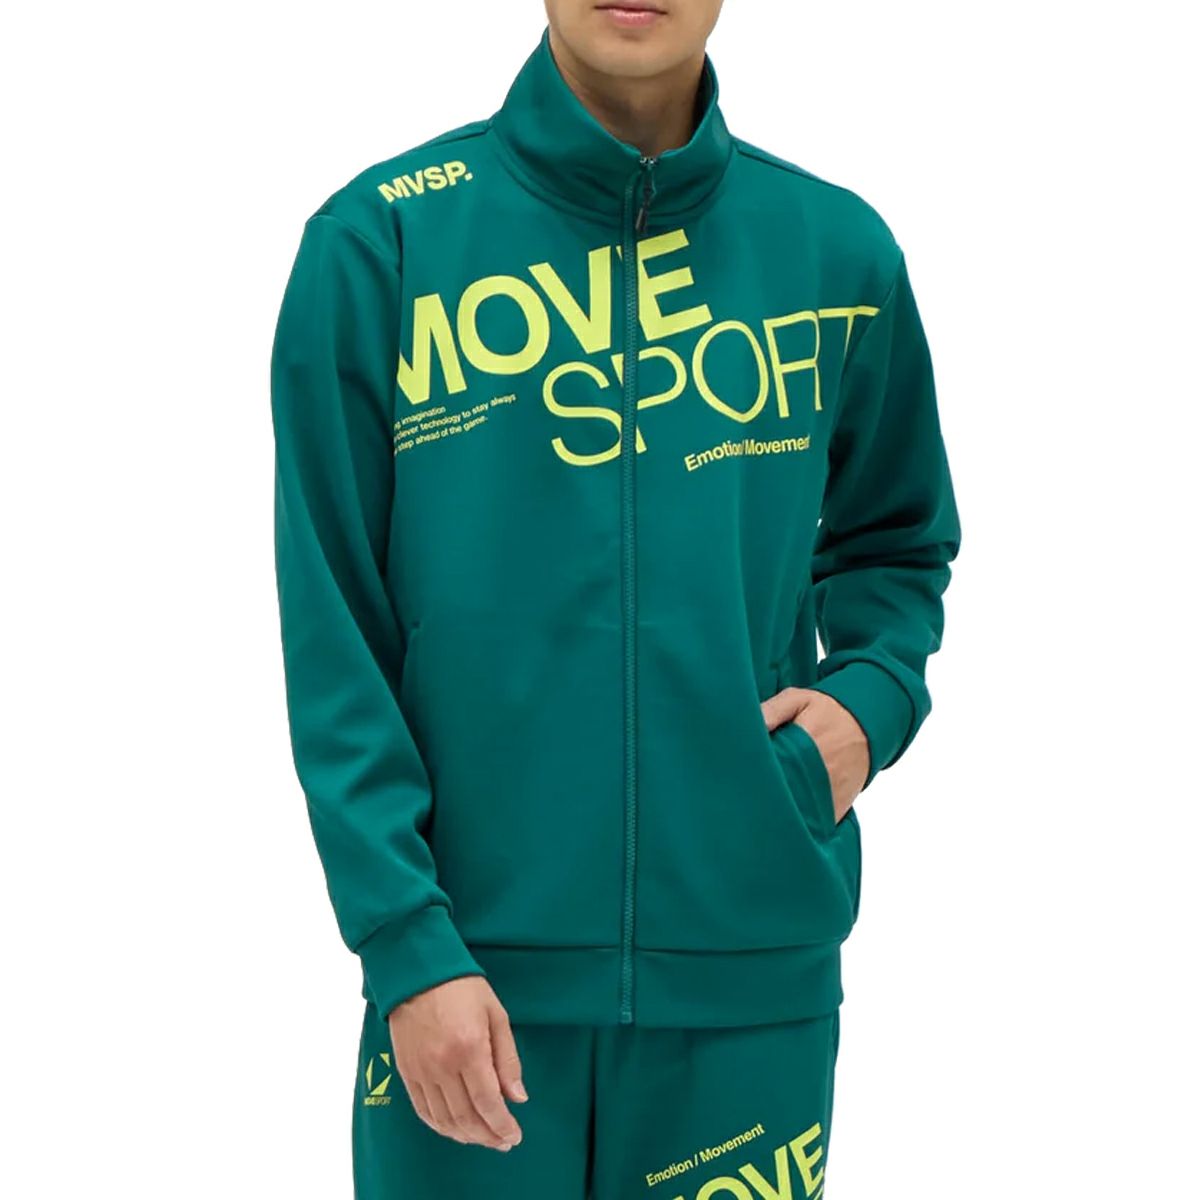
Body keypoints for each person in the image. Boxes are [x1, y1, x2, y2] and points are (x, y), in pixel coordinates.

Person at [269, 1, 961, 1194]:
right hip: (468, 982)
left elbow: (898, 539)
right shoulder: (383, 244)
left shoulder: (834, 253)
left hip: (749, 973)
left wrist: (868, 705)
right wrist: (407, 942)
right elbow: (336, 631)